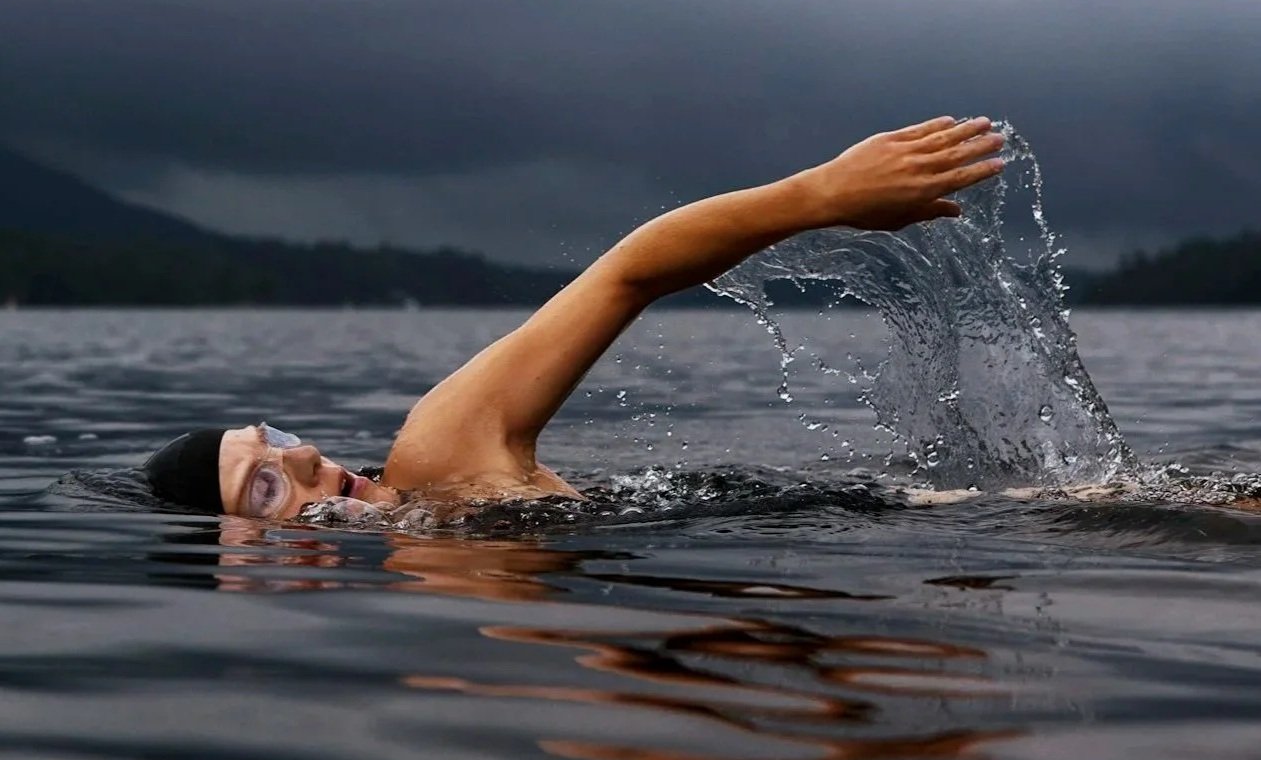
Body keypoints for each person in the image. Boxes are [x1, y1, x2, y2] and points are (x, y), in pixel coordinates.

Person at [143, 116, 1006, 521]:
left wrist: (816, 196)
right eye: (264, 484)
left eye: (276, 437)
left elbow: (626, 274)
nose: (302, 454)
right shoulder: (432, 593)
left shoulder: (438, 457)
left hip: (957, 520)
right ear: (241, 562)